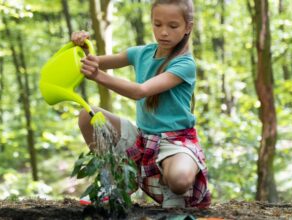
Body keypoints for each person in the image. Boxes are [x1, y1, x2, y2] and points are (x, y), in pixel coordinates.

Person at [72, 0, 211, 209]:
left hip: (175, 141)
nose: (164, 32)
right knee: (87, 115)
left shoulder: (184, 64)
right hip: (143, 138)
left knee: (180, 180)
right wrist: (82, 47)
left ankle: (169, 185)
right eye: (157, 24)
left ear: (187, 28)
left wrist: (98, 76)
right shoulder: (141, 53)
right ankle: (117, 181)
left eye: (173, 26)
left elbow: (141, 91)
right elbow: (92, 61)